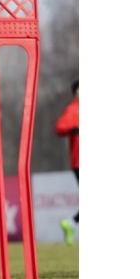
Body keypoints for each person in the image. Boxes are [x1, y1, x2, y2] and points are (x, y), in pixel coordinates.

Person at [54, 78, 79, 246]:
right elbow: (59, 127)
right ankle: (71, 223)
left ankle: (71, 223)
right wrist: (72, 129)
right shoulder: (73, 109)